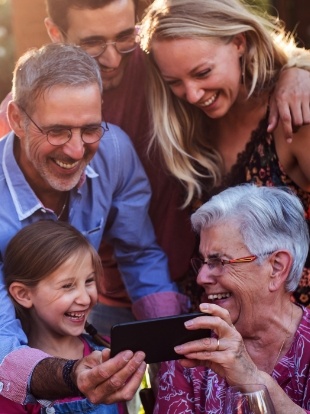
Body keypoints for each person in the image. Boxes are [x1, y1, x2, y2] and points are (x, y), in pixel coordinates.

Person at [0, 0, 310, 334]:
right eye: (92, 42)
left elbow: (217, 42)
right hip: (110, 292)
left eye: (123, 37)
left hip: (239, 296)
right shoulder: (31, 109)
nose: (112, 57)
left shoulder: (156, 62)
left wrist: (299, 69)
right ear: (55, 33)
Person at [0, 42, 190, 406]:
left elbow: (138, 254)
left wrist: (168, 356)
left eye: (89, 129)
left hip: (79, 348)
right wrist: (70, 376)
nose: (75, 150)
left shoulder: (115, 149)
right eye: (57, 131)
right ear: (17, 120)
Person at [139, 0, 310, 308]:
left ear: (239, 43)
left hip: (290, 340)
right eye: (174, 82)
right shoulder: (188, 128)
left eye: (203, 72)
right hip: (214, 333)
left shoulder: (292, 116)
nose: (192, 94)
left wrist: (301, 68)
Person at [154, 184, 310, 413]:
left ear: (276, 268)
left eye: (219, 261)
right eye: (203, 262)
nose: (201, 277)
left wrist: (254, 383)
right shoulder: (191, 352)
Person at [0, 220, 120, 413]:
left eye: (89, 281)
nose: (84, 298)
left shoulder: (108, 351)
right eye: (67, 286)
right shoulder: (11, 383)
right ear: (23, 294)